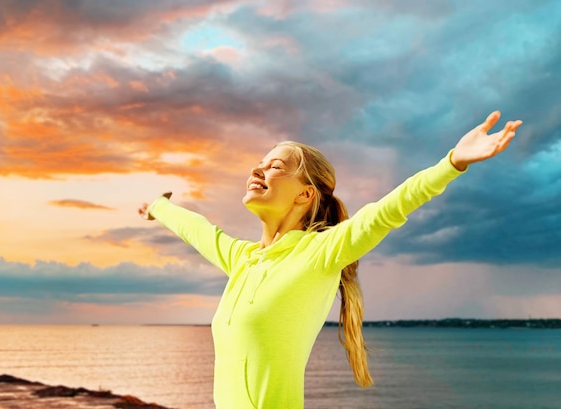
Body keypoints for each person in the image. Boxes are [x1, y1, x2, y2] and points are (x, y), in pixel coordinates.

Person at [138, 111, 522, 409]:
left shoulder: (321, 253)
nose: (257, 169)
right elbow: (198, 228)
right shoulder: (242, 259)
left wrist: (452, 162)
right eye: (260, 161)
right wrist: (158, 206)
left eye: (274, 165)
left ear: (304, 195)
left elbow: (388, 209)